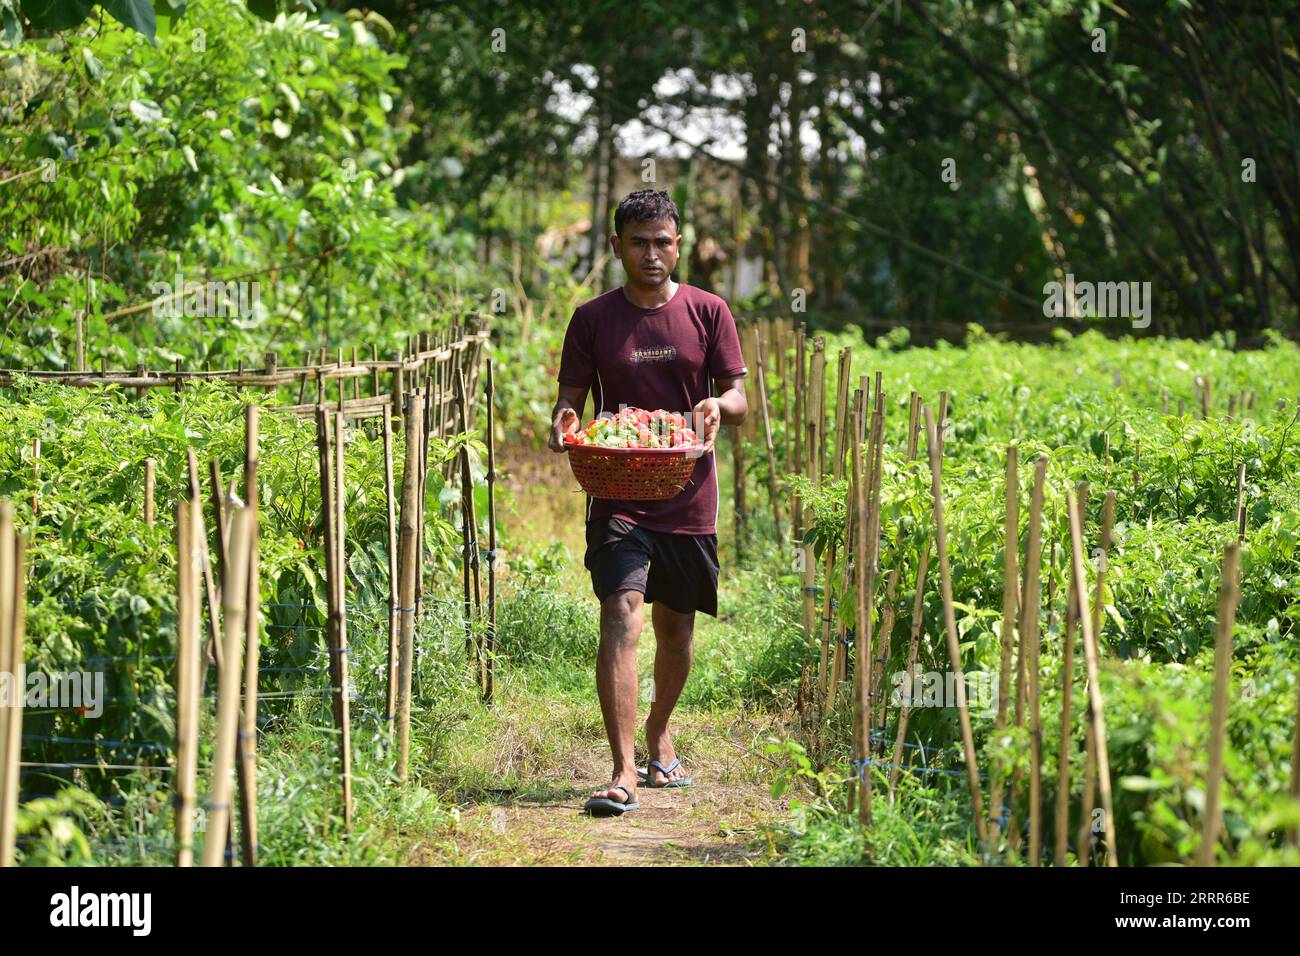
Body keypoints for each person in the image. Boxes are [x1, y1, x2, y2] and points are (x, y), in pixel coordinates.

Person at [547, 189, 748, 816]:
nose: (651, 253)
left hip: (688, 493)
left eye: (663, 241)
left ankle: (661, 730)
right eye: (638, 242)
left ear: (678, 245)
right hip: (618, 490)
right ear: (616, 247)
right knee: (622, 610)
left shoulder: (709, 312)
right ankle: (623, 770)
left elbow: (739, 398)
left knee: (677, 630)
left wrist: (718, 406)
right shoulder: (592, 318)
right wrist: (563, 426)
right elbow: (570, 402)